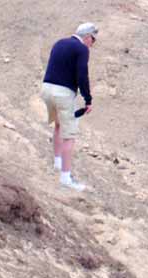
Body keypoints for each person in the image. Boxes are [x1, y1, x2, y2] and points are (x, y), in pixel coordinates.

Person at [40, 22, 98, 191]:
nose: (92, 44)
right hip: (63, 93)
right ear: (87, 37)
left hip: (46, 89)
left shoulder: (59, 42)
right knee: (69, 135)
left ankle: (57, 162)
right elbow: (82, 74)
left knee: (58, 124)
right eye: (93, 40)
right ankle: (66, 178)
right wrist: (88, 99)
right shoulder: (82, 49)